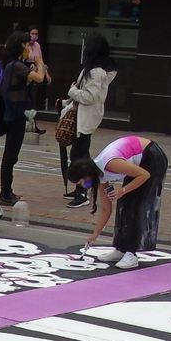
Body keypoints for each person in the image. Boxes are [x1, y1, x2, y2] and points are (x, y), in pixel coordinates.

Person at [69, 134, 170, 269]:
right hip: (138, 165)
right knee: (124, 204)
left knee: (135, 205)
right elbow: (106, 208)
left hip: (151, 157)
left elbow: (144, 175)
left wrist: (122, 190)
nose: (83, 185)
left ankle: (131, 253)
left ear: (86, 174)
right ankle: (121, 248)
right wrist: (95, 234)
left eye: (82, 182)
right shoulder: (99, 177)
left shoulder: (110, 163)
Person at [60, 34, 118, 210]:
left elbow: (89, 96)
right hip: (84, 118)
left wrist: (71, 92)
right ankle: (81, 188)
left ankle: (84, 192)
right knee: (79, 155)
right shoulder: (93, 70)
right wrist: (66, 101)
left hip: (85, 120)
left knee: (79, 157)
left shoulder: (95, 72)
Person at [0, 31, 46, 207]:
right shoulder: (16, 66)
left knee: (10, 155)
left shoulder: (14, 65)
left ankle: (7, 191)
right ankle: (5, 194)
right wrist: (39, 61)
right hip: (14, 116)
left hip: (13, 114)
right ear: (20, 47)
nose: (29, 48)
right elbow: (40, 78)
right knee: (10, 156)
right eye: (26, 45)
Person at [27, 26, 52, 134]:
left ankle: (33, 126)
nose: (34, 36)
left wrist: (46, 74)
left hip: (34, 75)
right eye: (32, 33)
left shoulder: (37, 45)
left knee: (32, 101)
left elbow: (40, 61)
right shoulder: (24, 45)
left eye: (36, 34)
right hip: (25, 73)